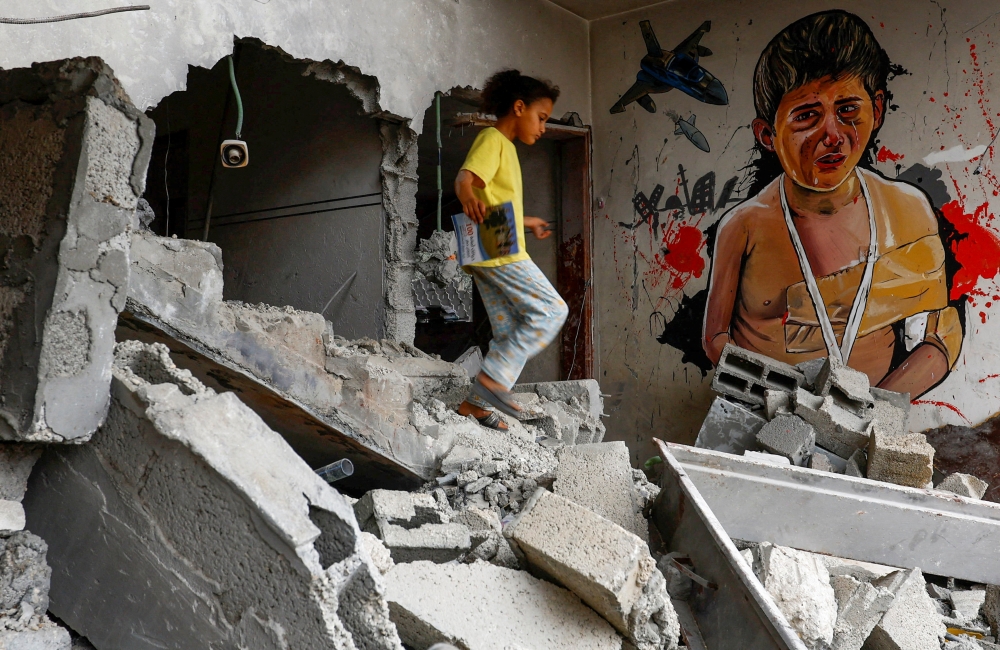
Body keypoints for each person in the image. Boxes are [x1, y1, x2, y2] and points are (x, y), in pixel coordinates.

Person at [702, 10, 962, 397]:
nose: (833, 135)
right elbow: (715, 341)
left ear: (876, 109)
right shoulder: (744, 226)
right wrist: (789, 403)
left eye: (848, 111)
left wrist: (874, 409)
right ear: (768, 135)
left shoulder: (908, 211)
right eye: (807, 116)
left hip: (871, 417)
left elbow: (940, 334)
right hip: (764, 418)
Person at [454, 69, 569, 429]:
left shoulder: (505, 147)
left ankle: (475, 405)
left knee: (507, 332)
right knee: (552, 311)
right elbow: (465, 178)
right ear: (519, 108)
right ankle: (492, 383)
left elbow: (493, 203)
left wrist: (526, 221)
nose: (543, 127)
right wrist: (467, 195)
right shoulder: (493, 139)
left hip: (485, 249)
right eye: (542, 117)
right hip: (499, 248)